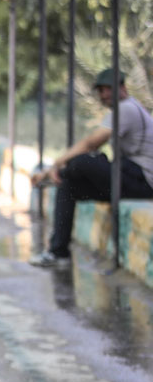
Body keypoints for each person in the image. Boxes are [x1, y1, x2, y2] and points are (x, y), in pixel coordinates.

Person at [29, 68, 153, 268]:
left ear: (122, 87)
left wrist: (55, 166)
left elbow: (91, 143)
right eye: (101, 91)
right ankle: (58, 253)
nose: (104, 95)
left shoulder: (127, 109)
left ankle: (54, 176)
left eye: (108, 89)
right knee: (68, 186)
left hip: (144, 182)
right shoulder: (120, 111)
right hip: (128, 175)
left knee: (83, 161)